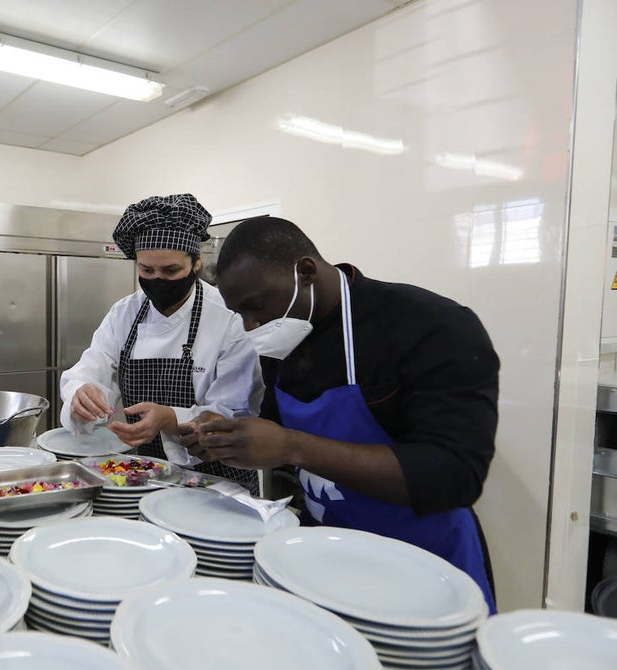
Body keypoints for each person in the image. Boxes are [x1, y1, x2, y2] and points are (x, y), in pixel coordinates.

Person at [182, 216, 499, 612]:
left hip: (424, 567)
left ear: (306, 271)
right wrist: (229, 440)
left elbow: (455, 474)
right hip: (327, 553)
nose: (252, 326)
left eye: (256, 307)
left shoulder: (431, 326)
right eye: (240, 314)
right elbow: (275, 426)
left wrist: (292, 447)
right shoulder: (286, 337)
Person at [59, 194, 263, 485]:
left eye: (170, 270)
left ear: (195, 263)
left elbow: (236, 412)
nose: (157, 280)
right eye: (146, 270)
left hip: (218, 476)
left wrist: (170, 418)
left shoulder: (229, 317)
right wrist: (81, 394)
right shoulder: (124, 313)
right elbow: (91, 368)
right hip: (144, 472)